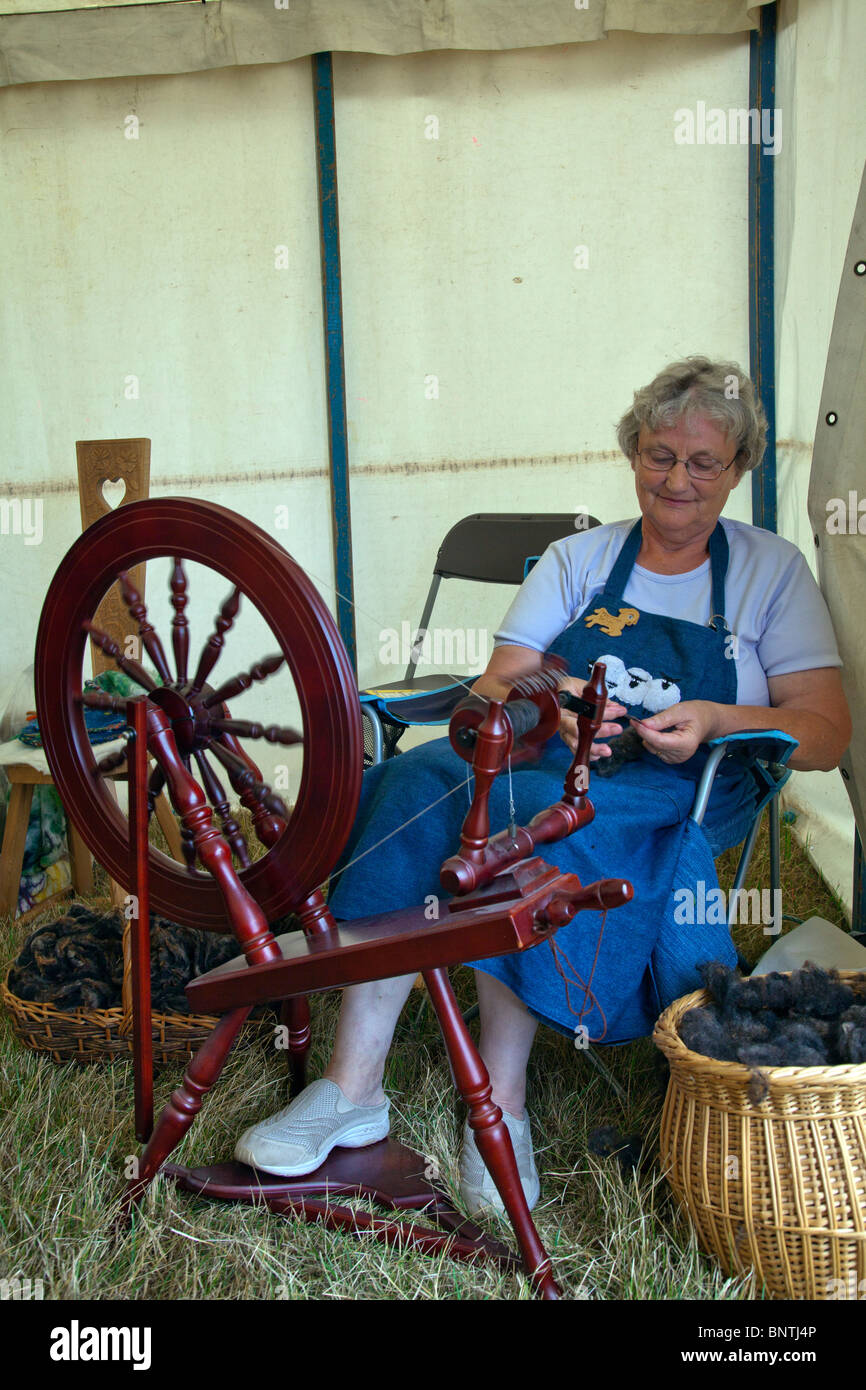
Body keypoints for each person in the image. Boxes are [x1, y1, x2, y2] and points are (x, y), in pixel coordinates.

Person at [235, 356, 851, 1214]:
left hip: (683, 787)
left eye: (703, 462)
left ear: (740, 466)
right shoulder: (580, 557)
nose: (676, 479)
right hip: (546, 758)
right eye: (658, 454)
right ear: (633, 452)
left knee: (530, 829)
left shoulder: (769, 572)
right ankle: (353, 1087)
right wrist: (551, 708)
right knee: (416, 781)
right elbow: (496, 686)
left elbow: (825, 731)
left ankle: (503, 1104)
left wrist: (714, 717)